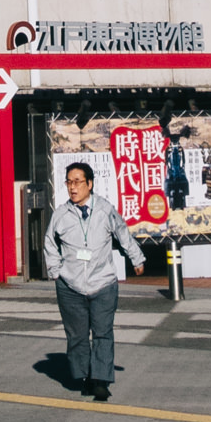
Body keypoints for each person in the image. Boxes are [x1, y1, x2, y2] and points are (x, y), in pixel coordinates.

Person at [43, 158, 142, 401]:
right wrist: (56, 271)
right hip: (70, 285)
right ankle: (85, 376)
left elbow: (123, 233)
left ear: (90, 184)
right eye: (69, 182)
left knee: (102, 333)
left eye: (77, 182)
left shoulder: (105, 209)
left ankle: (100, 381)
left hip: (103, 283)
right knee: (76, 336)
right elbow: (49, 243)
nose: (72, 187)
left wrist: (136, 258)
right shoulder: (61, 214)